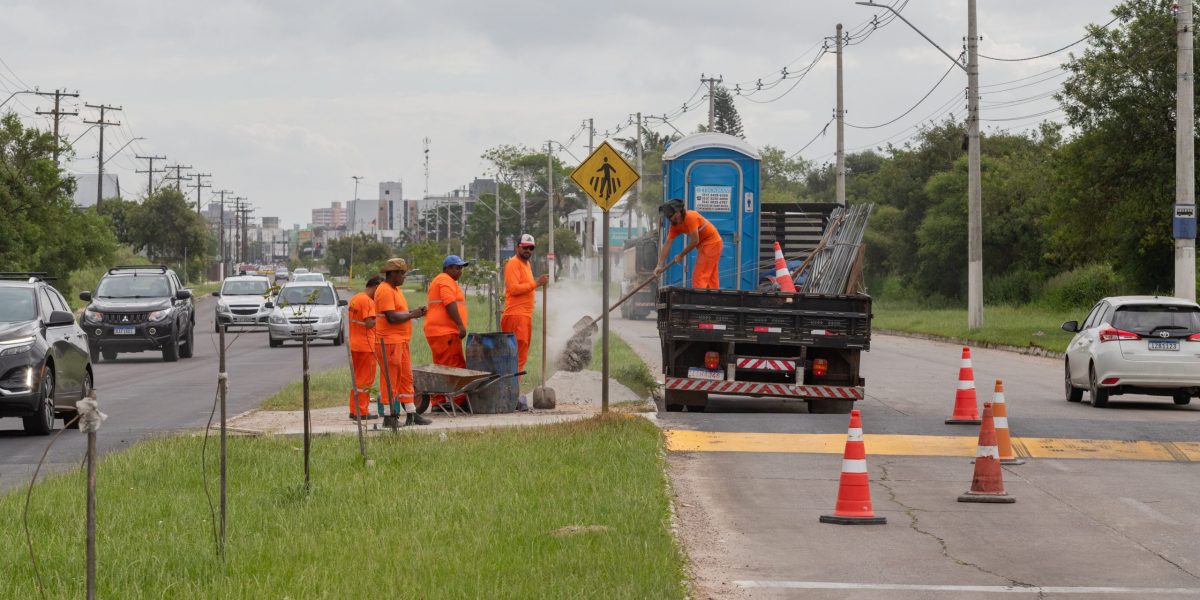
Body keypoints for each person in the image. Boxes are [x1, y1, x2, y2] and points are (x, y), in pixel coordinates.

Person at [374, 258, 431, 426]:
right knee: (390, 380)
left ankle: (412, 413)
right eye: (401, 273)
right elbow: (392, 317)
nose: (404, 276)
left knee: (406, 379)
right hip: (389, 343)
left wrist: (414, 312)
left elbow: (400, 312)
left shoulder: (395, 290)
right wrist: (413, 314)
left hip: (401, 341)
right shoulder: (385, 290)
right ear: (392, 273)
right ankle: (389, 417)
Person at [501, 233, 549, 379]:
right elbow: (514, 289)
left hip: (524, 316)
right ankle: (511, 392)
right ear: (517, 247)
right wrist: (537, 283)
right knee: (516, 357)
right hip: (516, 315)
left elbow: (525, 285)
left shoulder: (526, 264)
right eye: (525, 247)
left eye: (531, 248)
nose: (528, 250)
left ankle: (513, 392)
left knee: (521, 356)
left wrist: (538, 282)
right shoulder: (513, 263)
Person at [655, 199, 723, 289]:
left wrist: (681, 255)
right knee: (710, 279)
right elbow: (667, 244)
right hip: (705, 245)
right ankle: (714, 300)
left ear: (679, 212)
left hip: (712, 243)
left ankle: (699, 301)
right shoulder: (675, 225)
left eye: (672, 216)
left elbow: (695, 240)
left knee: (699, 277)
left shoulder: (690, 217)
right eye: (669, 217)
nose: (671, 219)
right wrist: (659, 265)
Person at [424, 255, 469, 368]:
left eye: (461, 268)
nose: (460, 271)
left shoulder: (444, 280)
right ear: (448, 268)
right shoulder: (445, 280)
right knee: (452, 368)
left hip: (442, 332)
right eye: (457, 268)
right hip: (445, 332)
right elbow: (449, 303)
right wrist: (460, 325)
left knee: (444, 367)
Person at [346, 276, 381, 421]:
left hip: (355, 344)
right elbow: (369, 323)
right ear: (376, 287)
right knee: (365, 381)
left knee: (358, 379)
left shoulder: (355, 298)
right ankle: (361, 411)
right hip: (366, 346)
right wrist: (382, 317)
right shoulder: (367, 301)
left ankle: (354, 410)